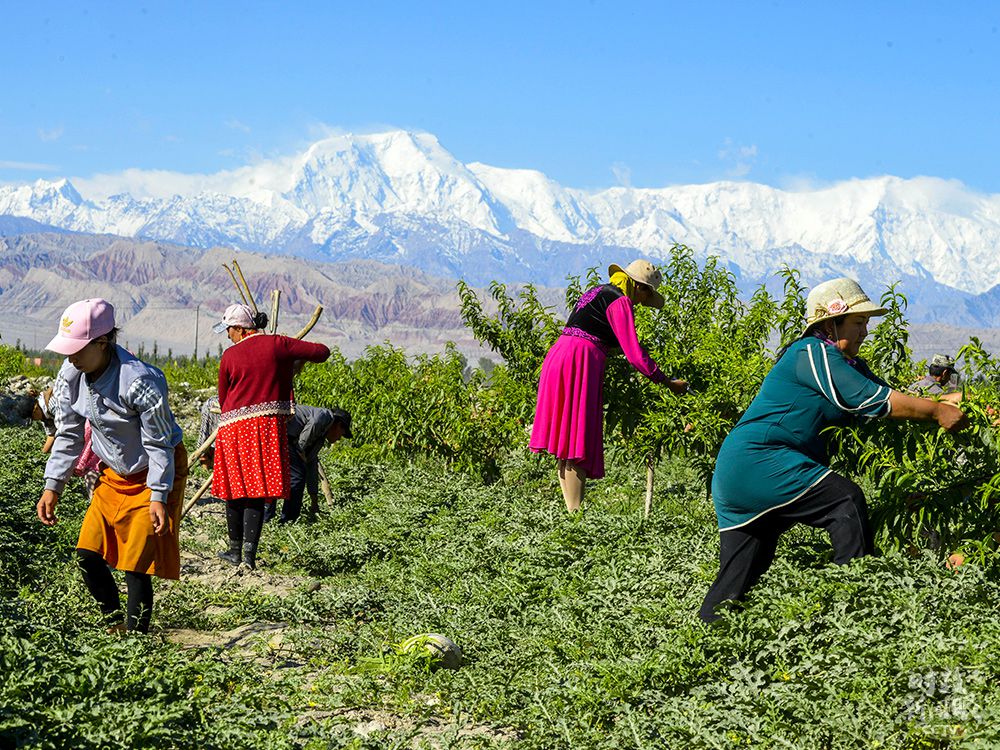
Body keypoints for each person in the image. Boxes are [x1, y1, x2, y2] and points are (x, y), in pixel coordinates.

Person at [700, 278, 969, 623]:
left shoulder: (844, 364)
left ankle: (711, 641)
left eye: (866, 324)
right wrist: (936, 412)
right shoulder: (811, 352)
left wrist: (957, 404)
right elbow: (871, 400)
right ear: (830, 323)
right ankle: (856, 606)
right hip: (761, 458)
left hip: (739, 472)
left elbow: (893, 400)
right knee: (845, 501)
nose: (865, 332)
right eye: (858, 323)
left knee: (736, 583)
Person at [36, 299, 187, 634]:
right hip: (114, 474)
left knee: (136, 565)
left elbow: (159, 443)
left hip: (152, 472)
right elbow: (69, 434)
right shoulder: (71, 375)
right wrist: (52, 485)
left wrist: (159, 495)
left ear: (102, 343)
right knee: (87, 554)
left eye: (77, 349)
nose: (70, 357)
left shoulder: (139, 382)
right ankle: (113, 621)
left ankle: (136, 642)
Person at [529, 260, 689, 511]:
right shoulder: (620, 300)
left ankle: (571, 512)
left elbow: (595, 331)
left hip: (560, 355)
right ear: (638, 287)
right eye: (645, 296)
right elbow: (634, 354)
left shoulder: (597, 291)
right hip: (579, 362)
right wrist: (667, 382)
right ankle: (575, 516)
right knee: (576, 441)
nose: (640, 304)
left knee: (567, 444)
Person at [212, 303, 331, 569]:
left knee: (235, 490)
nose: (227, 335)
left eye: (229, 330)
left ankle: (234, 552)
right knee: (255, 491)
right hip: (262, 428)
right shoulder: (278, 344)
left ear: (242, 329)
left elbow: (223, 396)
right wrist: (289, 357)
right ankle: (248, 557)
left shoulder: (230, 356)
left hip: (232, 429)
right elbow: (322, 352)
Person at [264, 405, 352, 524]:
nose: (339, 438)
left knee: (278, 476)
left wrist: (314, 501)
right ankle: (287, 521)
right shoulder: (327, 416)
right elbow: (315, 421)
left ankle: (267, 519)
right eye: (342, 433)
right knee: (296, 477)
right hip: (277, 431)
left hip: (281, 436)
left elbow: (311, 466)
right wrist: (301, 448)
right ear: (338, 424)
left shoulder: (318, 440)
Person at [32, 387, 103, 497]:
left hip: (89, 430)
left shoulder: (53, 404)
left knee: (93, 466)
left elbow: (67, 431)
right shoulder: (44, 414)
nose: (34, 420)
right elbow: (51, 435)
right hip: (81, 434)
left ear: (36, 408)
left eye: (33, 417)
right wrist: (39, 457)